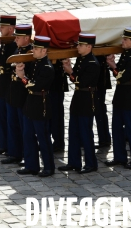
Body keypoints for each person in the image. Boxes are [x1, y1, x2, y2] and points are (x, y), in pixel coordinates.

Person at [58, 33, 100, 174]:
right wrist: (70, 69)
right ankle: (74, 162)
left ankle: (91, 163)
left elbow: (81, 81)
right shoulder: (82, 60)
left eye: (81, 45)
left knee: (85, 133)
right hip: (78, 98)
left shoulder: (92, 63)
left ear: (88, 46)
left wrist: (70, 72)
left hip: (87, 99)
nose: (78, 47)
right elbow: (76, 76)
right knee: (73, 132)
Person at [15, 36, 55, 177]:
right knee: (28, 136)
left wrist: (22, 77)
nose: (33, 50)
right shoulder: (36, 63)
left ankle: (49, 167)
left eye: (36, 49)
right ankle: (31, 165)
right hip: (30, 103)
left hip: (40, 105)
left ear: (44, 51)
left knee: (43, 138)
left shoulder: (47, 68)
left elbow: (35, 85)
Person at [105, 27, 131, 169]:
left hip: (130, 96)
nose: (122, 41)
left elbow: (123, 75)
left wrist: (112, 65)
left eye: (125, 39)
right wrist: (114, 66)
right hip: (121, 95)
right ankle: (119, 156)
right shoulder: (126, 54)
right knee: (116, 127)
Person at [0, 23, 33, 165]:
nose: (15, 39)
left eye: (18, 37)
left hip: (23, 94)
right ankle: (14, 153)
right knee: (12, 123)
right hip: (12, 92)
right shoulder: (18, 49)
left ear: (26, 38)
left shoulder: (30, 54)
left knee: (24, 128)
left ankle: (27, 154)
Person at [0, 15, 17, 156]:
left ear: (11, 29)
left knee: (10, 118)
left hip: (11, 85)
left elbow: (7, 63)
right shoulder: (5, 42)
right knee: (0, 115)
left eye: (3, 27)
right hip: (2, 84)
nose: (0, 29)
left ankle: (12, 148)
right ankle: (3, 144)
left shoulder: (14, 44)